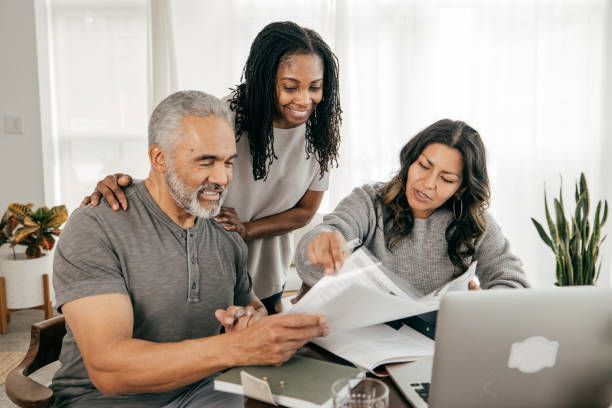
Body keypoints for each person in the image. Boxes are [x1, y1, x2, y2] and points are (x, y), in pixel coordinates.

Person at [51, 90, 328, 408]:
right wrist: (237, 348)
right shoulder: (97, 226)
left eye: (227, 162)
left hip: (205, 390)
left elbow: (251, 307)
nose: (221, 178)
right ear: (159, 158)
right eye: (205, 161)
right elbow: (109, 369)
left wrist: (250, 321)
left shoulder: (225, 234)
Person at [81, 21, 342, 314]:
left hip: (266, 274)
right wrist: (120, 186)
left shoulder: (318, 135)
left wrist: (247, 229)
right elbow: (175, 180)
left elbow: (305, 211)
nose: (303, 100)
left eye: (315, 87)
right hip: (205, 273)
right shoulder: (222, 118)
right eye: (290, 87)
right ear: (265, 80)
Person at [296, 119, 530, 293]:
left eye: (446, 179)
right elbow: (322, 244)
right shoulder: (369, 201)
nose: (427, 184)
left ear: (461, 188)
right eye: (424, 166)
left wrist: (488, 305)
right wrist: (322, 242)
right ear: (410, 161)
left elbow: (515, 283)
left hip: (431, 347)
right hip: (361, 340)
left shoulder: (477, 223)